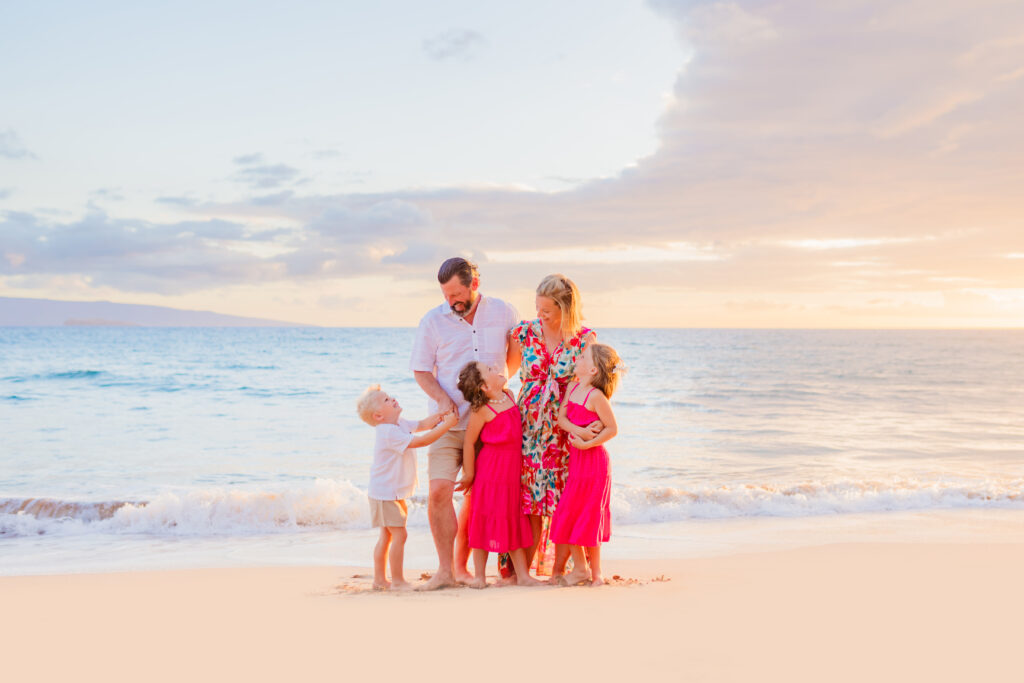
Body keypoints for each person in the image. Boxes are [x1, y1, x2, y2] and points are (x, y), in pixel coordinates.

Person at [410, 257, 519, 590]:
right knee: (439, 492)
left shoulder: (503, 311)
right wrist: (443, 402)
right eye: (446, 296)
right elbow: (421, 370)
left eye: (457, 294)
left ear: (475, 283)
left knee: (480, 497)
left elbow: (514, 355)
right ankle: (445, 570)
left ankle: (465, 568)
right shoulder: (432, 321)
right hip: (449, 425)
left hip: (491, 426)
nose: (451, 302)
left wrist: (501, 385)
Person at [503, 274, 598, 578]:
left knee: (564, 496)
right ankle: (522, 570)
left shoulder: (584, 339)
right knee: (528, 497)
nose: (540, 316)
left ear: (565, 309)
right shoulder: (524, 333)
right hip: (528, 425)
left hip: (565, 425)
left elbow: (590, 381)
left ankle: (563, 570)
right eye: (538, 309)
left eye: (547, 311)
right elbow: (508, 372)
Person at [356, 384, 457, 590]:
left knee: (387, 535)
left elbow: (421, 425)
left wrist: (441, 416)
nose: (392, 399)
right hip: (385, 493)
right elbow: (420, 441)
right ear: (378, 416)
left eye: (390, 397)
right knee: (399, 535)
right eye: (386, 400)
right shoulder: (387, 432)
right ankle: (398, 581)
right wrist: (446, 426)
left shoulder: (399, 423)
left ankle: (379, 580)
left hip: (388, 491)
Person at [455, 361, 542, 588]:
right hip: (490, 474)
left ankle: (523, 575)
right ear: (484, 387)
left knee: (511, 520)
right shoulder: (482, 410)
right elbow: (469, 442)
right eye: (490, 371)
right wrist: (469, 474)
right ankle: (479, 577)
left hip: (511, 474)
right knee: (482, 521)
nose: (496, 368)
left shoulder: (510, 396)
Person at [550, 342, 622, 587]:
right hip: (577, 463)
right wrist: (580, 431)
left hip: (595, 464)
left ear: (593, 370)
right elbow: (561, 420)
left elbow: (612, 429)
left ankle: (597, 574)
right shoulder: (572, 387)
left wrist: (587, 444)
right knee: (568, 515)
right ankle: (581, 569)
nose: (577, 359)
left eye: (582, 357)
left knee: (590, 517)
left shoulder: (597, 396)